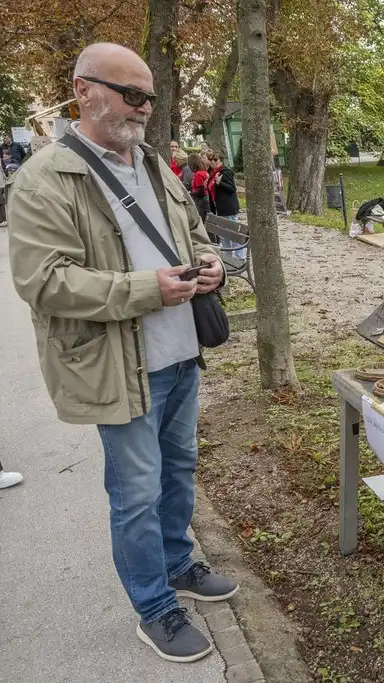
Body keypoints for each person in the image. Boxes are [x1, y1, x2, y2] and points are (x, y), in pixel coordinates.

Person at [6, 42, 235, 664]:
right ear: (84, 91)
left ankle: (177, 564)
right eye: (131, 94)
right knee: (136, 490)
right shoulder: (45, 176)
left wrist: (209, 262)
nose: (144, 108)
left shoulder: (154, 163)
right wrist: (146, 289)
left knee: (179, 469)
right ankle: (154, 608)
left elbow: (191, 233)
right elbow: (43, 282)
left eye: (150, 97)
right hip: (118, 364)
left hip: (181, 352)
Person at [189, 152, 211, 222]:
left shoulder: (198, 174)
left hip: (201, 200)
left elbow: (201, 191)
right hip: (206, 198)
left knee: (202, 220)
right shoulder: (204, 172)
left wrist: (190, 193)